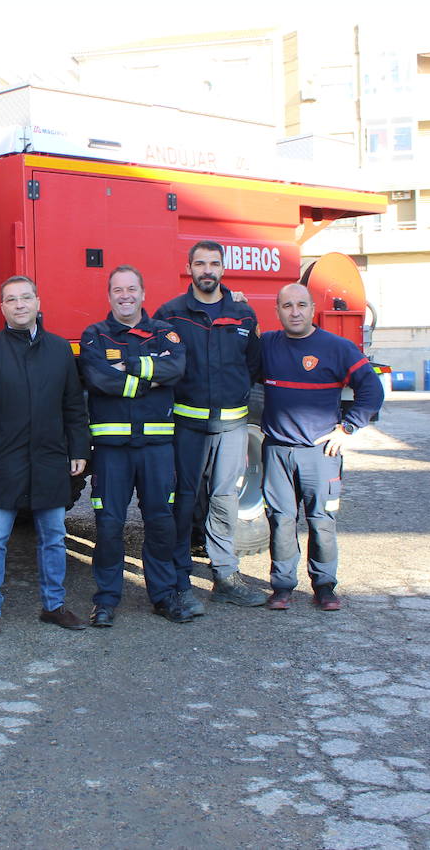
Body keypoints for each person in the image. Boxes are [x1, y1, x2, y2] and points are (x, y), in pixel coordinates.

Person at [0, 276, 90, 639]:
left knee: (53, 537)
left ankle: (54, 606)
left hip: (50, 459)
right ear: (1, 308)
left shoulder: (60, 350)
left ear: (38, 302)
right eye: (11, 299)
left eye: (25, 297)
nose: (19, 304)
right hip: (3, 461)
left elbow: (73, 405)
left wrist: (79, 448)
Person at [154, 240, 267, 611]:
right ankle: (179, 578)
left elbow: (253, 365)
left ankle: (225, 575)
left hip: (232, 427)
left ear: (223, 268)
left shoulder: (243, 314)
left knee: (224, 498)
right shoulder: (171, 314)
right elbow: (163, 366)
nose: (207, 270)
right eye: (200, 263)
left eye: (214, 263)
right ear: (189, 268)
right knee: (183, 500)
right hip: (187, 426)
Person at [259, 283, 384, 611]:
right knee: (281, 521)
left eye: (301, 305)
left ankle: (325, 586)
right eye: (287, 306)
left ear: (313, 309)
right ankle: (282, 587)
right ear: (277, 311)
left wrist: (347, 428)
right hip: (277, 450)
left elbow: (372, 390)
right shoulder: (267, 345)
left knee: (321, 521)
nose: (295, 312)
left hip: (320, 452)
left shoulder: (337, 348)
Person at [79, 266, 188, 626]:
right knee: (109, 525)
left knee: (160, 522)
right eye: (117, 290)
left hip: (156, 447)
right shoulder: (94, 336)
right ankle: (106, 599)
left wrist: (126, 367)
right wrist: (148, 378)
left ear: (143, 293)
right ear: (109, 296)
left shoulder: (165, 333)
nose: (125, 296)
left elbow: (175, 369)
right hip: (112, 451)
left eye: (131, 289)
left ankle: (163, 595)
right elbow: (97, 378)